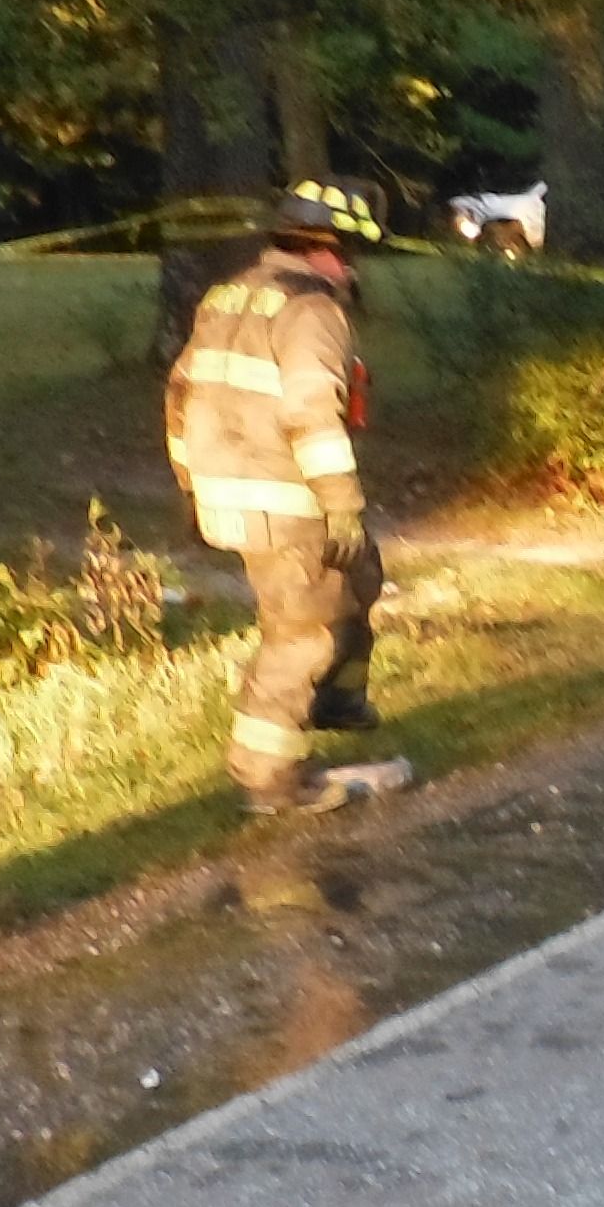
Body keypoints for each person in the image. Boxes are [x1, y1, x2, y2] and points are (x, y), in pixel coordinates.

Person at [165, 180, 407, 812]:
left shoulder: (230, 294)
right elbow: (311, 413)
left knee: (361, 573)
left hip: (233, 485)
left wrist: (193, 488)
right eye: (351, 253)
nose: (354, 270)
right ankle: (266, 778)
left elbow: (179, 393)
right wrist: (341, 502)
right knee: (303, 633)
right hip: (285, 493)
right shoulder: (311, 310)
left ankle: (336, 701)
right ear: (328, 246)